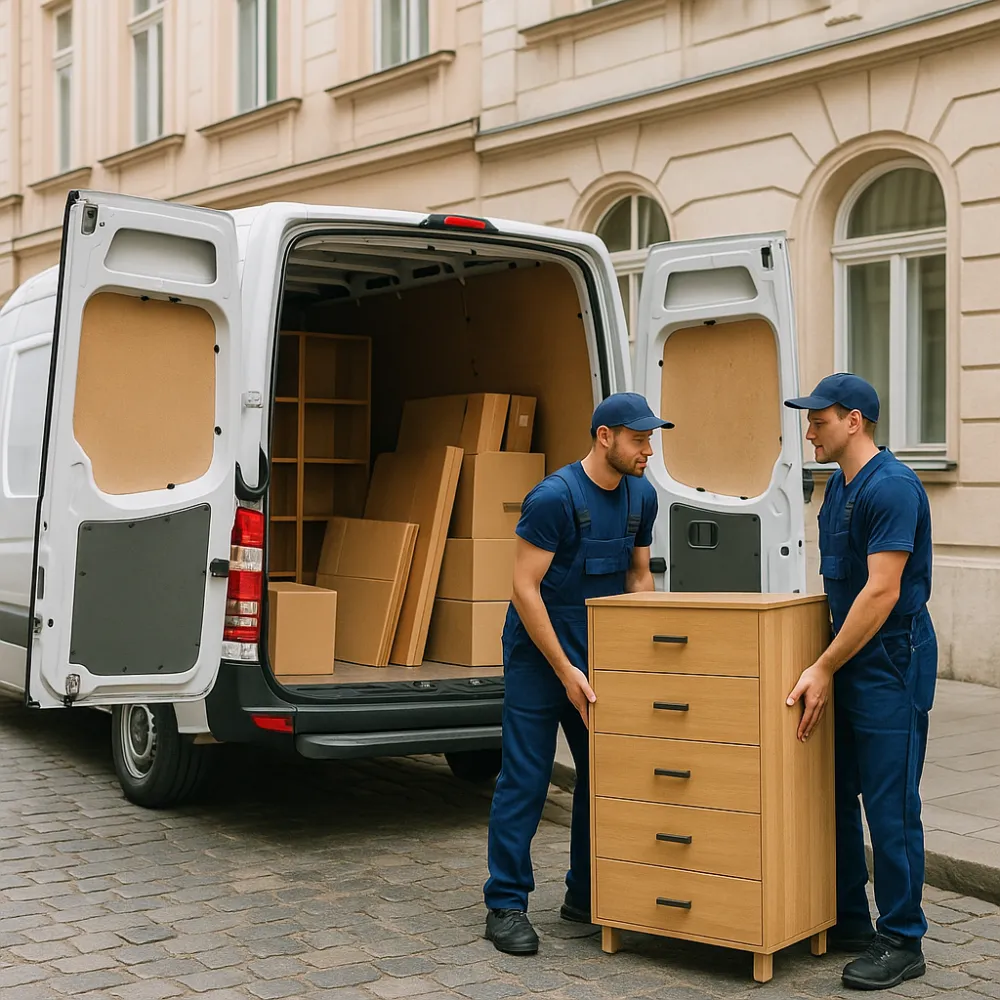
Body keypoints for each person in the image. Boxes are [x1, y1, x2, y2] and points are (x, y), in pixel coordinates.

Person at [482, 392, 670, 955]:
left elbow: (638, 576)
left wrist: (642, 660)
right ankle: (506, 904)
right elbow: (524, 588)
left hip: (601, 655)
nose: (648, 451)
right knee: (526, 777)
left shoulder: (642, 495)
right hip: (539, 658)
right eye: (639, 440)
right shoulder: (554, 498)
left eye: (650, 440)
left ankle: (586, 893)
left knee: (603, 776)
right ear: (604, 437)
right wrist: (565, 670)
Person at [784, 373, 936, 992]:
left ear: (854, 422)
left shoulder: (891, 487)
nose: (809, 431)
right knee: (835, 788)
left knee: (890, 802)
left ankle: (902, 937)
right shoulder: (837, 489)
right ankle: (848, 916)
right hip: (848, 655)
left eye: (819, 420)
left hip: (892, 659)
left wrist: (822, 665)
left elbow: (881, 592)